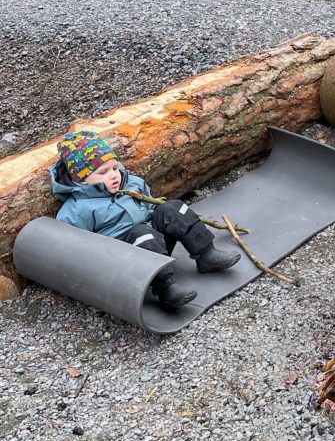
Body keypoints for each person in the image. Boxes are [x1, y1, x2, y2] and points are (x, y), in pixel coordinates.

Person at [50, 131, 241, 309]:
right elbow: (72, 247)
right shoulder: (77, 209)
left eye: (115, 168)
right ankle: (166, 288)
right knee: (141, 232)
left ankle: (206, 254)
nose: (114, 175)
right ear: (81, 180)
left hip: (154, 243)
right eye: (103, 172)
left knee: (172, 208)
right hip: (125, 259)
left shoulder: (132, 183)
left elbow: (150, 209)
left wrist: (164, 221)